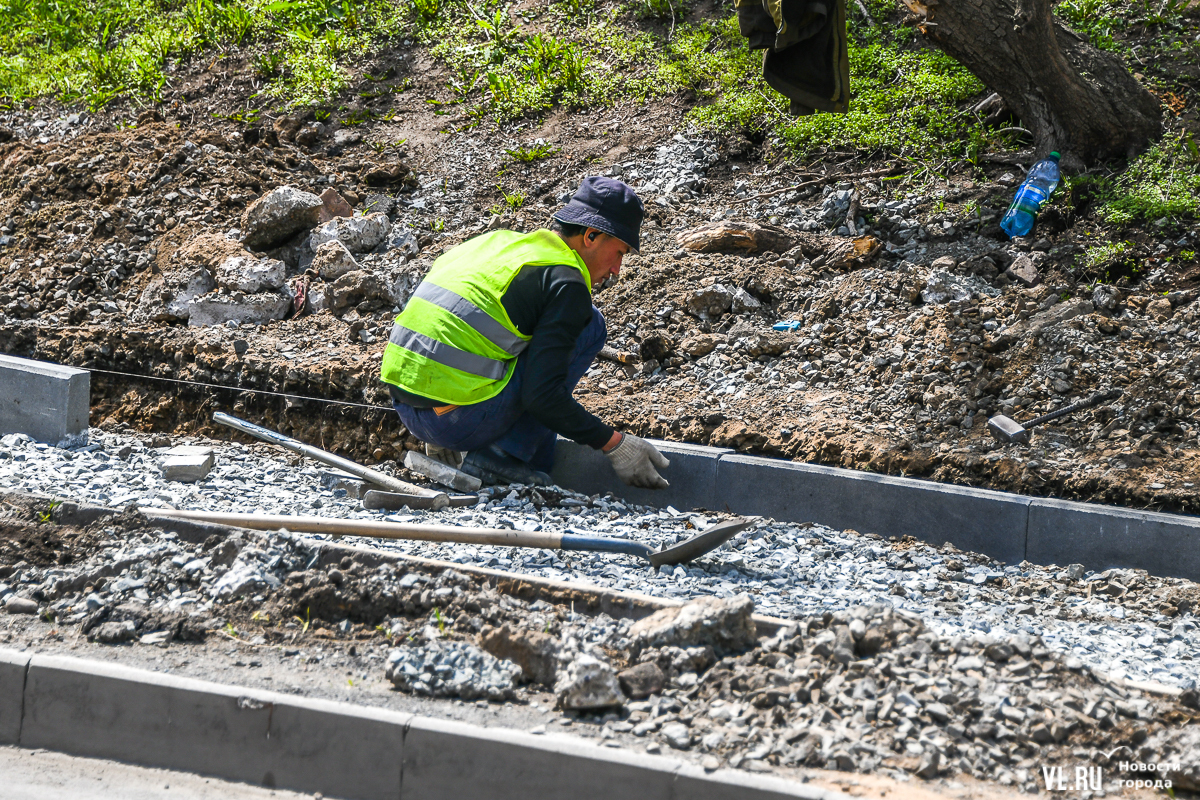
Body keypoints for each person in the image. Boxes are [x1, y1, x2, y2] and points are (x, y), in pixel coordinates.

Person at [379, 176, 670, 489]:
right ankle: (501, 456)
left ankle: (489, 448)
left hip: (407, 407)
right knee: (592, 325)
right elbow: (542, 396)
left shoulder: (497, 243)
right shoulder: (565, 281)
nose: (616, 270)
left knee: (542, 446)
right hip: (453, 420)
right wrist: (614, 443)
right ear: (591, 235)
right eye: (620, 253)